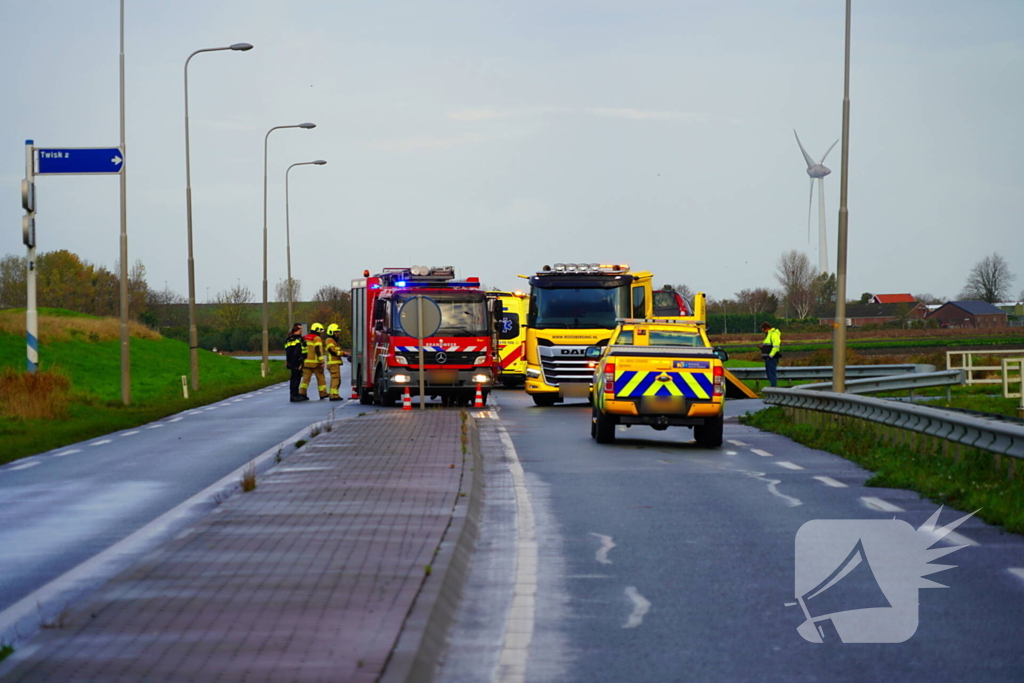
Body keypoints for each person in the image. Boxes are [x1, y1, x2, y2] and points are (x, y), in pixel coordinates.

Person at [300, 322, 328, 400]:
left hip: (306, 363)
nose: (321, 333)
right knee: (321, 378)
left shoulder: (304, 337)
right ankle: (323, 394)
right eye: (320, 331)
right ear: (316, 330)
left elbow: (302, 350)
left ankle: (302, 393)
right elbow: (318, 350)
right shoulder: (317, 338)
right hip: (316, 363)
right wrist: (321, 361)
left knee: (305, 379)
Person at [285, 323, 307, 402]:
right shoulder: (292, 339)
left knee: (297, 379)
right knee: (294, 379)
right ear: (295, 331)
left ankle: (296, 394)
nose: (301, 330)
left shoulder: (299, 339)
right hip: (295, 362)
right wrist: (293, 362)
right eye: (299, 329)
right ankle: (293, 395)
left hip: (299, 361)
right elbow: (291, 352)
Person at [325, 323, 344, 401]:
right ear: (331, 332)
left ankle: (333, 394)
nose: (337, 333)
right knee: (336, 379)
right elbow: (332, 351)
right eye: (335, 332)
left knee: (336, 379)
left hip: (334, 363)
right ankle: (334, 395)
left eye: (337, 332)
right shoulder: (329, 340)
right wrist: (343, 353)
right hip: (333, 363)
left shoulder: (333, 340)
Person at [760, 321, 782, 388]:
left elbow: (776, 346)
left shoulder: (774, 334)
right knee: (769, 374)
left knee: (772, 374)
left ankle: (774, 388)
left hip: (772, 358)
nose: (763, 331)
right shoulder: (768, 334)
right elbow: (769, 346)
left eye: (763, 329)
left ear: (766, 328)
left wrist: (770, 355)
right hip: (768, 358)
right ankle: (772, 388)